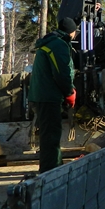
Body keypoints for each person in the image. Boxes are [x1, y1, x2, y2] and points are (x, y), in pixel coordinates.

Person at [29, 17, 77, 173]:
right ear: (72, 32)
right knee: (51, 136)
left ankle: (55, 166)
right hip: (49, 96)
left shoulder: (50, 43)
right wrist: (69, 92)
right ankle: (50, 171)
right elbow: (62, 72)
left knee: (50, 134)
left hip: (43, 95)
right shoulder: (58, 45)